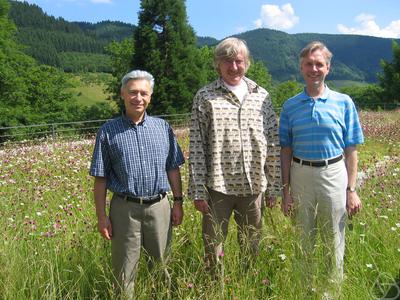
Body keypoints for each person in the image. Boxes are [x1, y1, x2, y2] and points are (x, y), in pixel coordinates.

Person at [189, 37, 281, 275]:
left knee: (252, 246)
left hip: (254, 187)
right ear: (217, 64)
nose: (233, 67)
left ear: (247, 63)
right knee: (213, 247)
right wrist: (198, 190)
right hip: (217, 188)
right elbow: (197, 146)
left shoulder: (262, 96)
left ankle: (248, 286)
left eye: (238, 61)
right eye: (227, 61)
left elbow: (272, 143)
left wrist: (274, 187)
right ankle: (214, 288)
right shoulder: (205, 96)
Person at [89, 70, 185, 298]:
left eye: (143, 93)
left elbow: (173, 167)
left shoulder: (163, 128)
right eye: (133, 92)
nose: (138, 98)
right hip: (124, 209)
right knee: (124, 271)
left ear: (150, 96)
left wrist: (178, 202)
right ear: (123, 94)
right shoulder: (108, 131)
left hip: (159, 206)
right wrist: (102, 217)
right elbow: (100, 178)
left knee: (161, 266)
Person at [279, 41, 364, 294]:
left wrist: (351, 189)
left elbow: (351, 149)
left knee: (334, 238)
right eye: (308, 64)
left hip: (333, 173)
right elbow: (285, 150)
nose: (313, 68)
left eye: (319, 64)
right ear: (301, 68)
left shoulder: (344, 102)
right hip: (300, 173)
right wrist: (286, 191)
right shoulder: (290, 105)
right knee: (303, 237)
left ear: (328, 68)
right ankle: (305, 289)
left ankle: (332, 292)